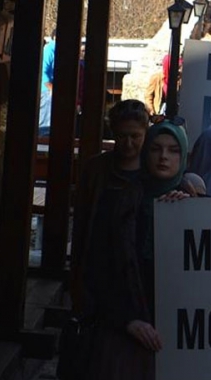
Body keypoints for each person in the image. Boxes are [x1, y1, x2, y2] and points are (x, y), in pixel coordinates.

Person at [82, 118, 191, 379]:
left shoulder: (196, 210)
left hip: (179, 340)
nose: (163, 157)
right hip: (122, 340)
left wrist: (192, 212)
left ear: (184, 157)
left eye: (173, 150)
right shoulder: (116, 204)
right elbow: (97, 269)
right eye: (155, 148)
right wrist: (127, 321)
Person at [70, 99, 150, 313]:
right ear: (113, 133)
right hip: (100, 269)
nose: (129, 143)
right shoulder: (95, 169)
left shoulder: (153, 170)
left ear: (145, 133)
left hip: (140, 271)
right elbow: (81, 223)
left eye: (135, 136)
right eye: (122, 136)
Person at [38, 32, 56, 136]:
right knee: (45, 125)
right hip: (47, 92)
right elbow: (42, 71)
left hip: (48, 91)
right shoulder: (49, 49)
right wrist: (51, 88)